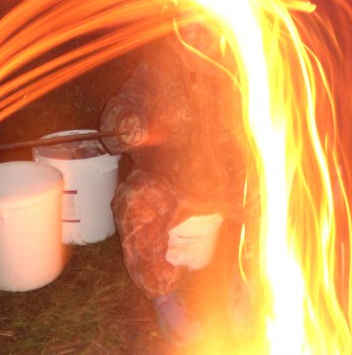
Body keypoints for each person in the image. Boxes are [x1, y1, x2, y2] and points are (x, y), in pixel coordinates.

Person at [100, 21, 249, 345]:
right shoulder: (160, 67)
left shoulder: (244, 62)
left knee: (283, 195)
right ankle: (164, 297)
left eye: (206, 21)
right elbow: (124, 105)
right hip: (171, 183)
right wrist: (125, 123)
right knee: (134, 199)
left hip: (232, 182)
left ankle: (252, 280)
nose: (201, 32)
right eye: (190, 24)